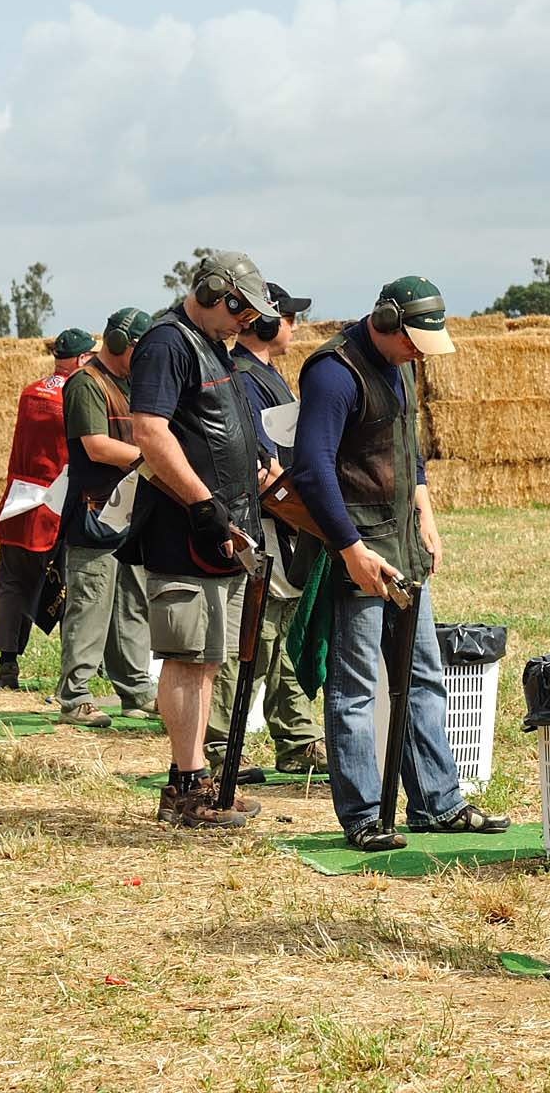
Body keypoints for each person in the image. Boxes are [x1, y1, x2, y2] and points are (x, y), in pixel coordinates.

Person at [292, 276, 510, 851]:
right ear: (384, 322)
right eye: (412, 340)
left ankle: (437, 804)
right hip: (358, 550)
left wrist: (426, 512)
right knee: (357, 687)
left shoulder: (402, 367)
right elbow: (312, 469)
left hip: (403, 545)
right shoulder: (333, 373)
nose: (418, 352)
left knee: (423, 678)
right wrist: (350, 550)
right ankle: (363, 816)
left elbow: (407, 453)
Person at [123, 252, 280, 828]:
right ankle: (187, 786)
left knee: (209, 656)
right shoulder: (169, 343)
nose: (247, 322)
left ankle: (196, 779)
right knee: (190, 656)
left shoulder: (212, 344)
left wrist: (254, 462)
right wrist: (203, 503)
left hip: (222, 526)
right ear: (217, 293)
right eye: (240, 309)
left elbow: (216, 425)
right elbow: (151, 434)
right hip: (189, 528)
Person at [203, 283, 328, 774]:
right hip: (268, 520)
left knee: (279, 631)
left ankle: (296, 738)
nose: (295, 326)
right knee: (250, 635)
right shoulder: (243, 378)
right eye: (289, 317)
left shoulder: (267, 376)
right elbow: (259, 465)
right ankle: (215, 750)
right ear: (267, 322)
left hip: (289, 520)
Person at [54, 308, 158, 728]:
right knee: (90, 607)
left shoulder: (132, 384)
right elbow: (97, 446)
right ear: (119, 343)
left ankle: (135, 691)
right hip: (95, 513)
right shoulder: (86, 384)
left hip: (129, 514)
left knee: (132, 606)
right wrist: (155, 460)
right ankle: (74, 698)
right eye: (139, 347)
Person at [0, 328, 94, 689]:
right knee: (70, 587)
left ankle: (7, 663)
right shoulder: (77, 396)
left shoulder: (31, 391)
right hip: (56, 503)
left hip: (19, 500)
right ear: (81, 359)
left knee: (13, 584)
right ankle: (73, 675)